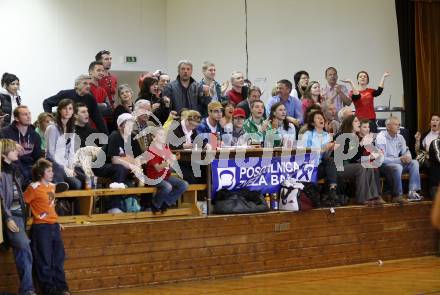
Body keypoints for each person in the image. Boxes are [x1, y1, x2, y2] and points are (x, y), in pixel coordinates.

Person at [24, 159, 70, 295]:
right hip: (41, 228)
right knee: (45, 260)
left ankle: (62, 288)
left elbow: (50, 206)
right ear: (40, 173)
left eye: (52, 170)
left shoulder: (52, 187)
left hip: (54, 227)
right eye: (48, 171)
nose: (52, 173)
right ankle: (50, 290)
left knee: (58, 258)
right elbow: (22, 202)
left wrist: (56, 221)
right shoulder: (33, 188)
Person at [0, 139, 36, 295]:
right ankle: (28, 290)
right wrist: (8, 218)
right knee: (24, 247)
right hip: (10, 217)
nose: (17, 151)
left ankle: (27, 289)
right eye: (13, 149)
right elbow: (1, 199)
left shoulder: (14, 168)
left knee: (24, 250)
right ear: (3, 154)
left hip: (19, 215)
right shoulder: (2, 172)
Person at [335, 115, 383, 205]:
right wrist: (361, 144)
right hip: (339, 167)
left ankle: (373, 196)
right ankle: (362, 198)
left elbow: (356, 158)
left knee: (369, 165)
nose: (359, 123)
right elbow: (347, 156)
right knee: (360, 167)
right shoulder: (342, 135)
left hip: (350, 166)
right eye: (356, 121)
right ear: (350, 124)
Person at [376, 116, 422, 203]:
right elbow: (381, 159)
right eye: (396, 124)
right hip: (384, 166)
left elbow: (406, 151)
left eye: (399, 125)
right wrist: (399, 160)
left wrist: (408, 157)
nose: (398, 127)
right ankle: (397, 195)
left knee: (414, 162)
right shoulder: (381, 138)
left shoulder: (400, 137)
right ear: (388, 126)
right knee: (398, 167)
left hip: (397, 164)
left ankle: (413, 192)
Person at [43, 75, 108, 134]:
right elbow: (46, 102)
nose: (88, 86)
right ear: (76, 85)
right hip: (65, 129)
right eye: (85, 83)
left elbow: (98, 119)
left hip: (82, 129)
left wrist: (107, 136)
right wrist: (52, 120)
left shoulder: (90, 98)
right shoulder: (65, 94)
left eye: (89, 84)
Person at [301, 111, 340, 205]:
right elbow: (304, 154)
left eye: (321, 117)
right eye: (318, 118)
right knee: (331, 166)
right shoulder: (308, 135)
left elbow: (325, 157)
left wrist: (331, 149)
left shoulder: (327, 136)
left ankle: (332, 191)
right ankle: (329, 195)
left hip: (319, 166)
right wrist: (323, 148)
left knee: (330, 160)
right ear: (312, 123)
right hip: (308, 167)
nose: (321, 119)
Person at [45, 99, 86, 190]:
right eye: (64, 108)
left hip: (67, 164)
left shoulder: (71, 129)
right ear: (59, 110)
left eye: (70, 108)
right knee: (77, 184)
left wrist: (71, 168)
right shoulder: (52, 128)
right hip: (54, 164)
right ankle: (61, 201)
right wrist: (65, 169)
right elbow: (50, 153)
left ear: (73, 111)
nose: (67, 111)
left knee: (85, 180)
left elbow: (71, 152)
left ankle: (71, 203)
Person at [146, 127, 188, 213]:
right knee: (167, 187)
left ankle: (166, 202)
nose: (163, 137)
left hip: (165, 175)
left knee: (184, 184)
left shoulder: (165, 147)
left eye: (164, 135)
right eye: (161, 135)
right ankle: (155, 204)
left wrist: (174, 159)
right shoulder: (151, 150)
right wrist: (169, 162)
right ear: (154, 137)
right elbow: (157, 168)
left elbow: (170, 161)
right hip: (154, 177)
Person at [0, 106, 42, 187]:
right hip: (12, 165)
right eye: (25, 114)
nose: (29, 116)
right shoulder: (5, 132)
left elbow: (38, 157)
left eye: (29, 113)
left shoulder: (35, 135)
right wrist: (11, 144)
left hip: (29, 167)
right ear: (16, 118)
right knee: (17, 164)